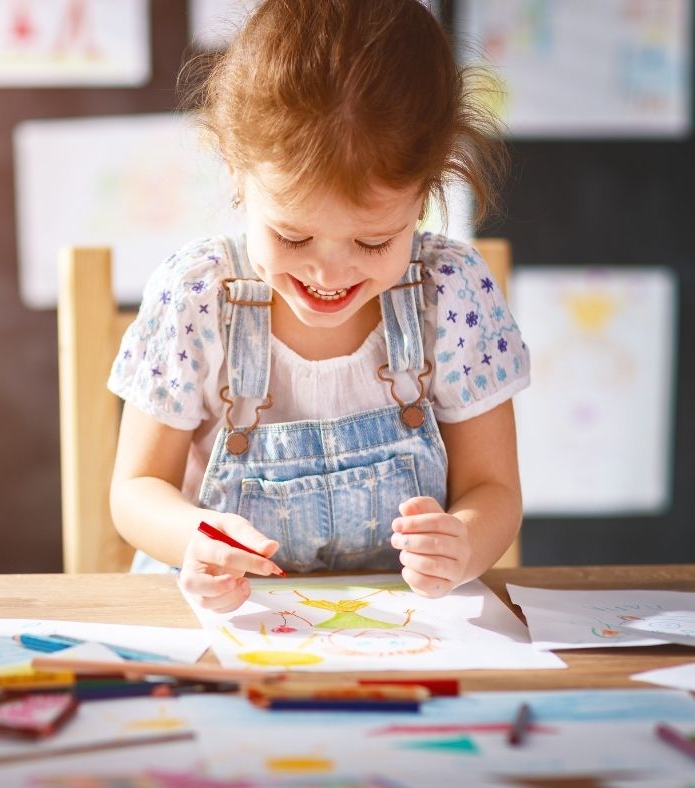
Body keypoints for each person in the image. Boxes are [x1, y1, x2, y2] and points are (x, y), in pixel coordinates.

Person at [108, 0, 527, 614]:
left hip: (399, 627)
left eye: (375, 241)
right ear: (236, 171)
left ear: (429, 190)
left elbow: (494, 490)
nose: (329, 273)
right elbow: (136, 490)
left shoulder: (450, 292)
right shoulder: (198, 295)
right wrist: (196, 539)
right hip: (221, 617)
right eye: (293, 237)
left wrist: (463, 540)